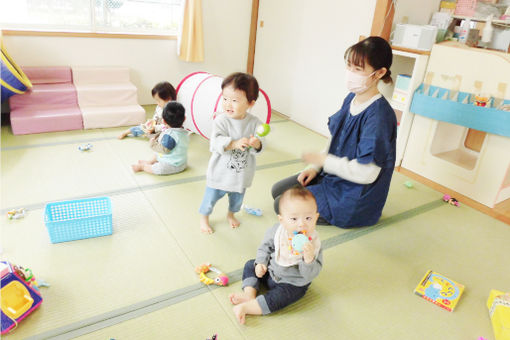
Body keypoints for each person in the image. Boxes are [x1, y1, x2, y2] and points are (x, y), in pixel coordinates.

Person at [272, 36, 397, 228]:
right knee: (278, 190)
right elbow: (335, 141)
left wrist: (324, 162)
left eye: (358, 69)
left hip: (354, 195)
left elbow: (367, 174)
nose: (350, 73)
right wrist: (314, 167)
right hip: (334, 175)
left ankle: (341, 214)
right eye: (349, 66)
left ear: (379, 73)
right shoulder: (351, 99)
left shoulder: (379, 117)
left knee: (281, 204)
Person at [229, 185, 322, 324]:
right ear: (282, 220)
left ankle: (248, 307)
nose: (302, 224)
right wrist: (261, 263)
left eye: (308, 218)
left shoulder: (313, 244)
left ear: (316, 218)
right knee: (250, 264)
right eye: (294, 219)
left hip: (292, 283)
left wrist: (308, 260)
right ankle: (249, 294)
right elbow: (264, 248)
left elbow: (310, 275)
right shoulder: (277, 232)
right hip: (270, 271)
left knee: (282, 297)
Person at [199, 72, 264, 234]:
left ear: (250, 103)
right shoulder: (221, 121)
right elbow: (215, 143)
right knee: (210, 199)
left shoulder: (255, 123)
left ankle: (230, 214)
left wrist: (257, 144)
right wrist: (233, 143)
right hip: (220, 173)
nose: (228, 104)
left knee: (237, 201)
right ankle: (204, 218)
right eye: (225, 98)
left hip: (241, 174)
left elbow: (262, 142)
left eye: (234, 100)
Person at [131, 101, 189, 175]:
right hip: (181, 161)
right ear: (184, 118)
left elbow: (164, 150)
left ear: (164, 121)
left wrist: (153, 144)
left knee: (159, 169)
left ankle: (143, 167)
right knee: (157, 154)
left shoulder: (170, 135)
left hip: (173, 165)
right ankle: (150, 162)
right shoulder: (183, 131)